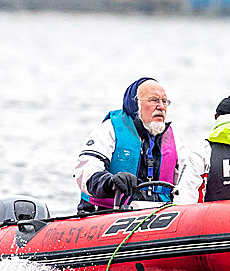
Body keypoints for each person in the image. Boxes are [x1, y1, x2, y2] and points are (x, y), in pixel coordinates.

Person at [73, 77, 185, 213]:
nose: (161, 107)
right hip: (107, 213)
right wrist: (110, 182)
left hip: (159, 215)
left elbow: (189, 182)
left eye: (164, 101)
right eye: (154, 100)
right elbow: (85, 171)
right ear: (135, 103)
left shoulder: (174, 141)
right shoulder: (109, 130)